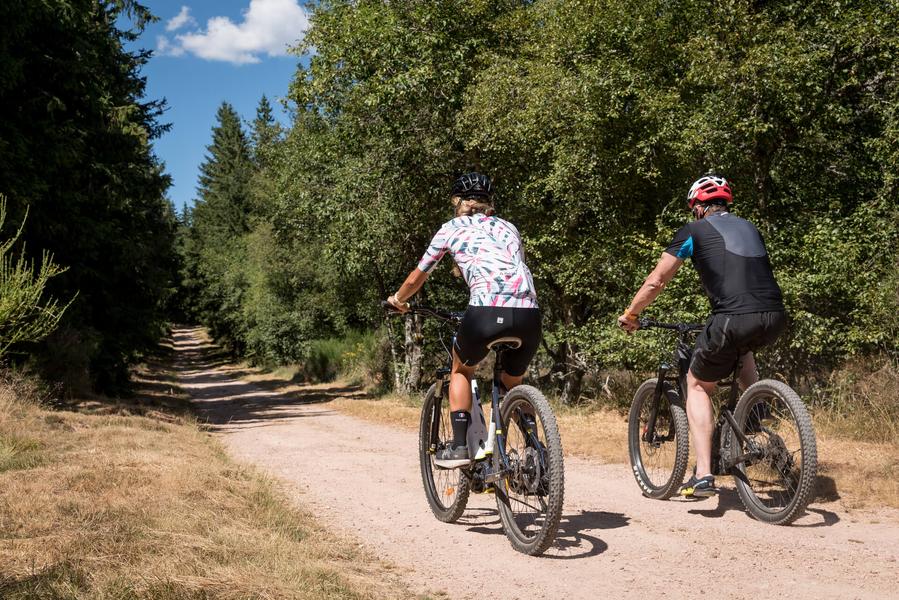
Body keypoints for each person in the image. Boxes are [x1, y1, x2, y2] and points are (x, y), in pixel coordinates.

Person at [617, 174, 787, 497]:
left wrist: (632, 314)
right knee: (743, 349)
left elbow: (657, 280)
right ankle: (755, 416)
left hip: (732, 317)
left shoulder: (694, 231)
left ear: (697, 207)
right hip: (775, 315)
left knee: (697, 383)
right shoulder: (751, 227)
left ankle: (704, 473)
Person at [387, 172, 541, 466]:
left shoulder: (451, 228)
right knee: (511, 382)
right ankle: (535, 450)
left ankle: (459, 446)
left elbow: (419, 275)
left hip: (485, 310)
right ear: (489, 204)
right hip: (529, 314)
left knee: (461, 370)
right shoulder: (510, 228)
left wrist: (398, 300)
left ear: (457, 201)